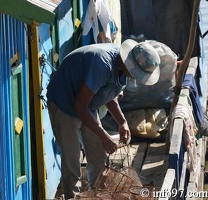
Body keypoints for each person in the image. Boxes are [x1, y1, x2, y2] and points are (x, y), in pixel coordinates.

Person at [46, 39, 161, 199]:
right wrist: (104, 136)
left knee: (98, 155)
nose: (135, 78)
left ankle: (97, 194)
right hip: (64, 102)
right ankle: (72, 197)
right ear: (130, 64)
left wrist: (122, 122)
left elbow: (108, 94)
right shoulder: (102, 64)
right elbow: (79, 106)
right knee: (72, 161)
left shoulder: (122, 67)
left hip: (88, 104)